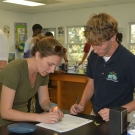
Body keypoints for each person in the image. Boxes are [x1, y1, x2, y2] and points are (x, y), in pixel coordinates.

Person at [70, 12, 135, 122]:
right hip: (95, 115)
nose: (95, 50)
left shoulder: (129, 61)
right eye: (92, 44)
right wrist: (82, 104)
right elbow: (91, 84)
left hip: (120, 118)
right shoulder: (93, 56)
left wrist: (116, 112)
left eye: (99, 45)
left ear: (113, 37)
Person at [0, 37, 64, 127]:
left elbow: (44, 101)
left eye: (55, 66)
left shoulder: (43, 73)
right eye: (50, 64)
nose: (52, 70)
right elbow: (5, 112)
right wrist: (39, 117)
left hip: (21, 123)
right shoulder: (15, 70)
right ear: (38, 55)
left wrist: (52, 106)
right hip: (3, 125)